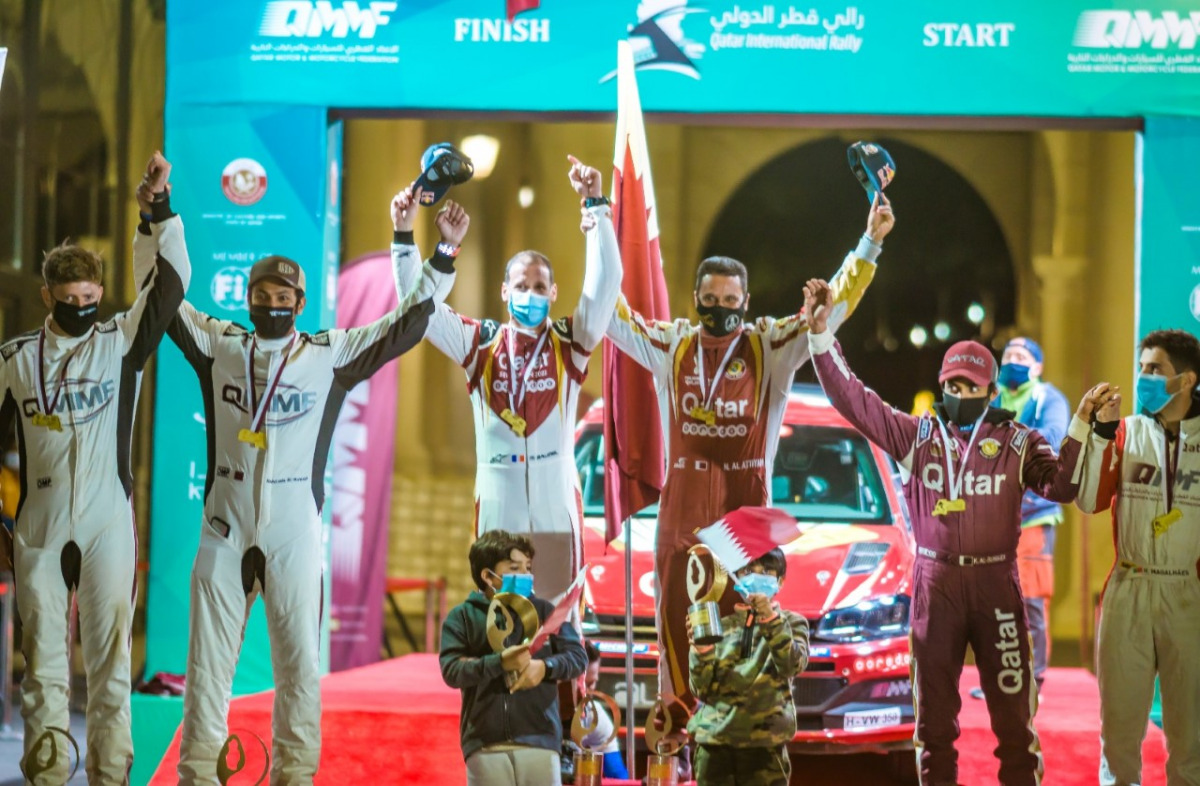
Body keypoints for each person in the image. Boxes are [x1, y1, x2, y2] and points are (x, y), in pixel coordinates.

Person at [169, 199, 465, 784]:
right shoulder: (221, 345)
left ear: (301, 305)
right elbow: (165, 300)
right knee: (206, 671)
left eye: (284, 299)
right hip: (223, 531)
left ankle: (295, 777)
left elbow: (406, 325)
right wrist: (158, 216)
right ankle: (196, 776)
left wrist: (443, 253)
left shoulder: (327, 354)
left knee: (300, 671)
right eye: (263, 296)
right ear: (248, 299)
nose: (273, 306)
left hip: (294, 536)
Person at [802, 277, 1102, 786]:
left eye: (971, 387)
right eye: (953, 385)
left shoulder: (1016, 439)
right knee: (934, 723)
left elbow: (1062, 487)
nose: (961, 394)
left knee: (1013, 720)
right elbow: (852, 398)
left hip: (997, 587)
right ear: (943, 385)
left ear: (991, 390)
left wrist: (1079, 430)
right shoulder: (914, 434)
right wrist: (820, 336)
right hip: (935, 586)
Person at [603, 194, 894, 709]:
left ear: (747, 299)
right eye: (710, 300)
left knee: (743, 642)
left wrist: (868, 243)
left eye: (730, 300)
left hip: (743, 518)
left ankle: (738, 745)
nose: (720, 310)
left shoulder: (769, 345)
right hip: (680, 515)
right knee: (677, 641)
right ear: (694, 298)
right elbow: (612, 312)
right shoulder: (671, 344)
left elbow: (830, 312)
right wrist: (599, 224)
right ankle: (677, 747)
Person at [0, 151, 190, 783]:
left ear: (101, 294)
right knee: (44, 668)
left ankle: (111, 776)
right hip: (39, 524)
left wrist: (156, 212)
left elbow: (170, 287)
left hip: (108, 519)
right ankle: (47, 776)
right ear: (47, 294)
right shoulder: (15, 359)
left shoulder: (120, 342)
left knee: (111, 666)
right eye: (68, 298)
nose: (81, 306)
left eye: (90, 296)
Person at [391, 155, 621, 605]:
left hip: (556, 494)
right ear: (503, 291)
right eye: (521, 285)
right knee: (500, 616)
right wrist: (411, 238)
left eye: (539, 287)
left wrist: (595, 206)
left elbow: (607, 283)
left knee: (559, 619)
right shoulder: (479, 344)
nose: (530, 295)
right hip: (498, 495)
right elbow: (417, 310)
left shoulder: (569, 341)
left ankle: (564, 676)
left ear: (554, 294)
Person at [1075, 329, 1200, 786]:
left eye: (1155, 370)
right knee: (1120, 736)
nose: (1143, 377)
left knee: (1191, 741)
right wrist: (1101, 434)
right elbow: (1087, 500)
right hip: (1130, 587)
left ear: (1186, 380)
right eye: (1142, 367)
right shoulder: (1126, 430)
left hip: (1188, 594)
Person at [440, 529, 588, 786]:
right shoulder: (463, 617)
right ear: (488, 576)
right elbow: (452, 670)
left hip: (540, 740)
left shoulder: (544, 612)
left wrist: (544, 667)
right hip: (485, 744)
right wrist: (498, 663)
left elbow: (577, 657)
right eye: (515, 568)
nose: (525, 576)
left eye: (528, 568)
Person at [970, 337, 1070, 700]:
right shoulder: (990, 398)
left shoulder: (1048, 399)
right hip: (993, 516)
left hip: (1032, 517)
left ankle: (1033, 681)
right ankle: (998, 678)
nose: (1013, 360)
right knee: (992, 602)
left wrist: (999, 443)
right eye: (1008, 355)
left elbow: (1053, 440)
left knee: (1030, 600)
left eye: (1022, 356)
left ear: (1038, 366)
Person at [686, 547, 808, 786]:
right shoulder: (718, 625)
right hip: (715, 745)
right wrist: (700, 650)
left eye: (766, 571)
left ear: (780, 581)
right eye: (748, 570)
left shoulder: (792, 623)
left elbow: (792, 664)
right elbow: (700, 688)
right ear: (736, 578)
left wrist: (771, 621)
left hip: (765, 748)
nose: (755, 576)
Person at [577, 640, 630, 780]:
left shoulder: (594, 714)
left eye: (592, 683)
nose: (590, 689)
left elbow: (618, 777)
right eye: (584, 684)